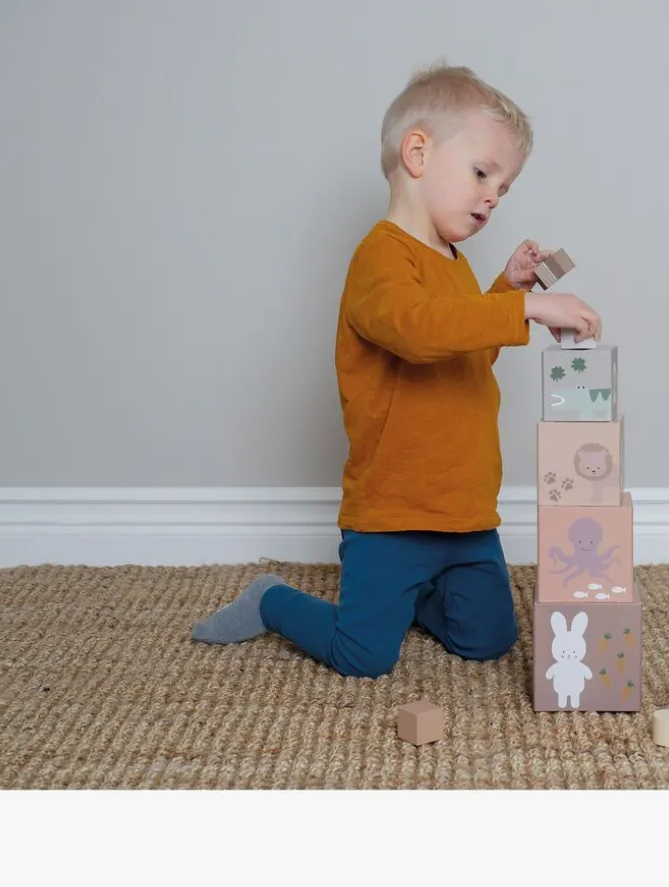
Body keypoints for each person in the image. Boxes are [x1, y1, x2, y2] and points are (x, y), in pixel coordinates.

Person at [191, 62, 602, 677]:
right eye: (482, 173)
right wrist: (524, 308)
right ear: (417, 153)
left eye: (504, 187)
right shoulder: (379, 257)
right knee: (362, 656)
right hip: (393, 516)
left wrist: (503, 290)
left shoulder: (454, 262)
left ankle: (411, 599)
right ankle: (272, 601)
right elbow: (417, 331)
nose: (493, 195)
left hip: (464, 513)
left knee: (488, 641)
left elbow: (465, 351)